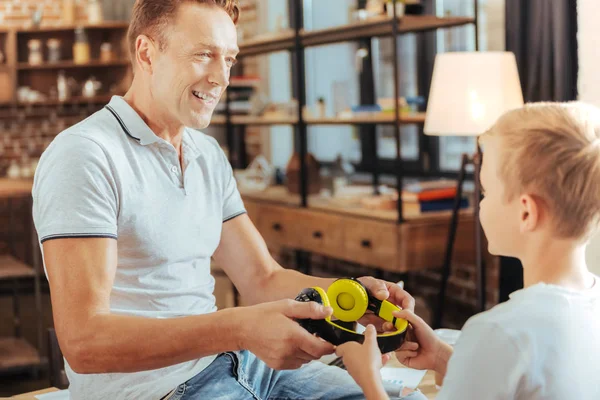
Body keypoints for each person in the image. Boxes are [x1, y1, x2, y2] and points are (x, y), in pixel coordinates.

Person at [32, 1, 418, 399]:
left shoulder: (206, 154)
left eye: (229, 59)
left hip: (244, 365)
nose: (221, 77)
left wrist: (350, 295)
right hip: (157, 388)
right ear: (147, 53)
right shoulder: (85, 155)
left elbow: (261, 278)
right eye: (204, 55)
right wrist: (240, 327)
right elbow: (84, 343)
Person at [336, 102, 600, 400]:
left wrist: (368, 377)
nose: (480, 204)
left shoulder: (498, 333)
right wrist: (441, 357)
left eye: (486, 192)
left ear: (526, 212)